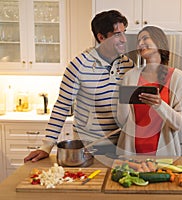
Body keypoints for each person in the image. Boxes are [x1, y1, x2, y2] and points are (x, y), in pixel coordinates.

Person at [24, 10, 134, 162]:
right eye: (116, 34)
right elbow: (62, 106)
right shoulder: (79, 66)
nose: (123, 39)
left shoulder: (128, 65)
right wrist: (47, 146)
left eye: (124, 32)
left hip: (122, 145)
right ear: (101, 37)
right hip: (90, 147)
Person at [116, 26, 182, 156]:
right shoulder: (129, 76)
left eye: (145, 38)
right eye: (138, 41)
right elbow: (122, 121)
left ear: (159, 42)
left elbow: (180, 123)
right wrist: (124, 99)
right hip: (131, 153)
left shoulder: (177, 77)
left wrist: (159, 105)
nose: (140, 43)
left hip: (164, 155)